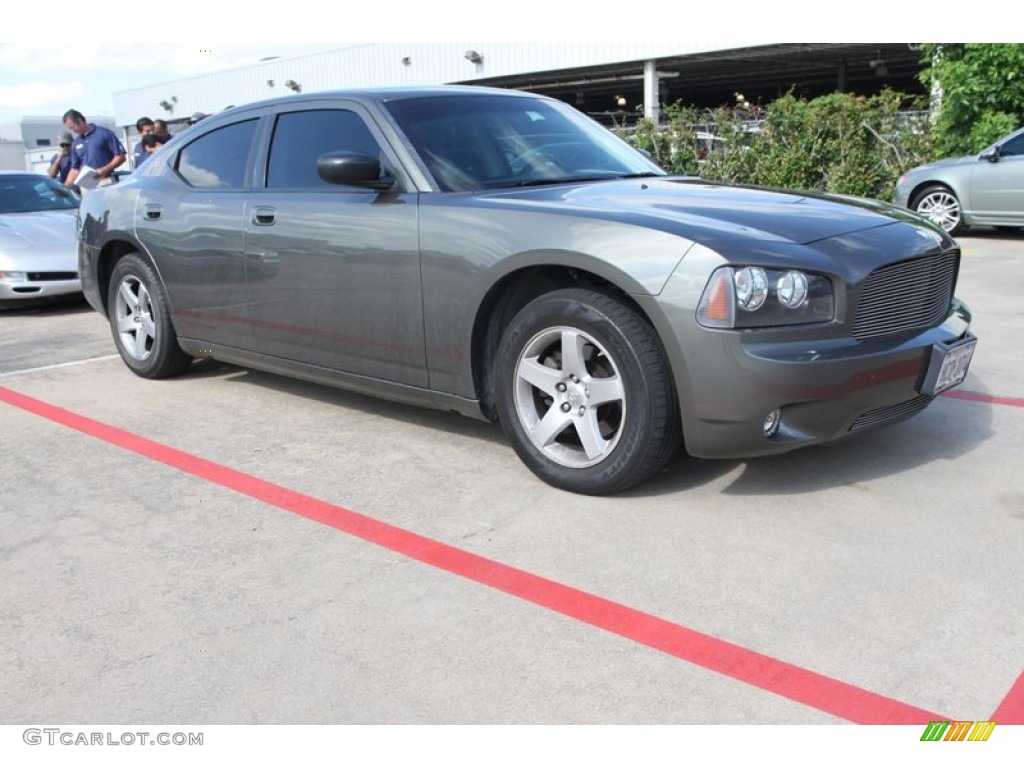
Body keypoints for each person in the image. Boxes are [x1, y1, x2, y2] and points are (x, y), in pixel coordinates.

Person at [62, 109, 126, 188]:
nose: (72, 131)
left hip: (106, 182)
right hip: (86, 186)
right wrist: (65, 187)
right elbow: (75, 169)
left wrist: (106, 168)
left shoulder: (104, 134)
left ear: (80, 120)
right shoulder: (76, 143)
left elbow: (121, 157)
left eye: (73, 127)